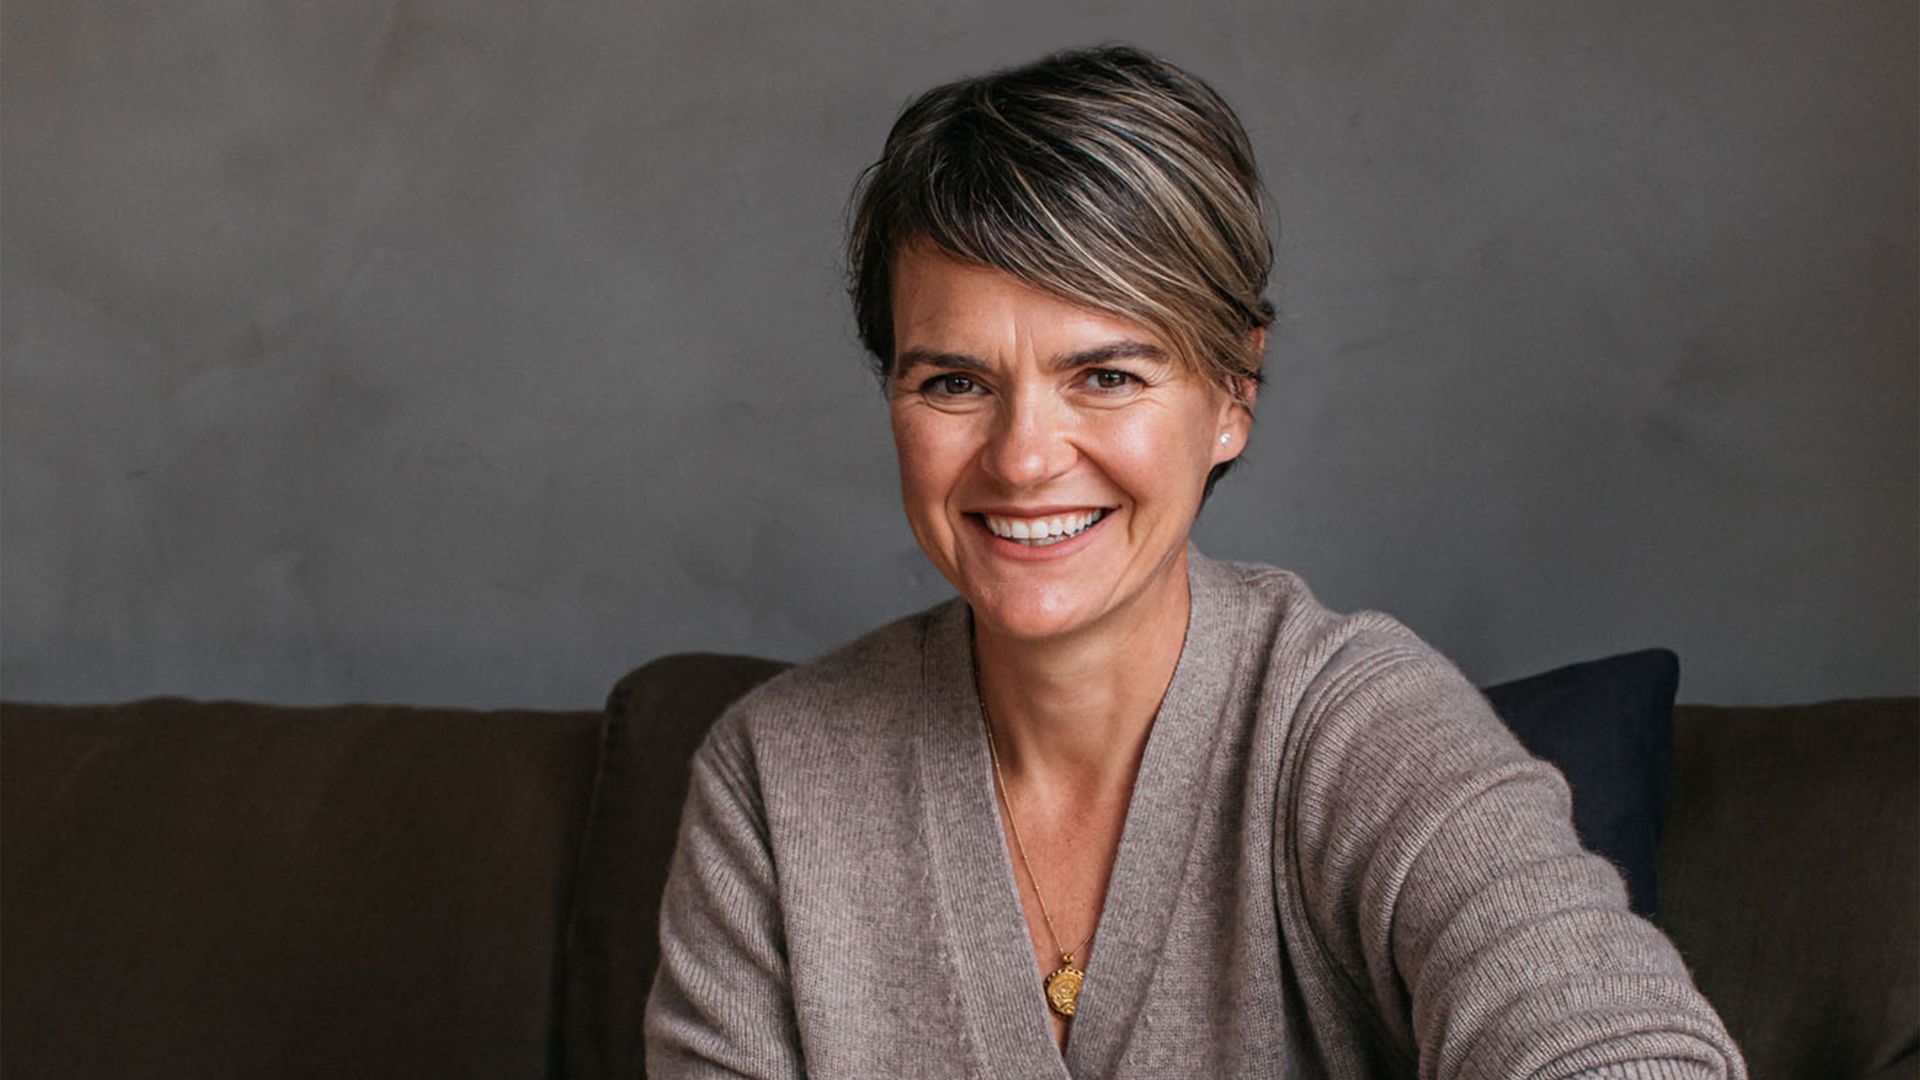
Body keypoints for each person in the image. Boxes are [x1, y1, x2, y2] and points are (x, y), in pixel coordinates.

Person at [645, 45, 1745, 1078]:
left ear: (1232, 396)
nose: (1024, 459)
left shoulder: (1354, 725)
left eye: (1108, 377)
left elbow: (1615, 1042)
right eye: (954, 383)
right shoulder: (773, 783)